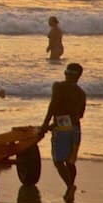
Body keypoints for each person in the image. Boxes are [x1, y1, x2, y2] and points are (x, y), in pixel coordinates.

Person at [41, 63, 86, 195]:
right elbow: (80, 115)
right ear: (79, 77)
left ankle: (70, 186)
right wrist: (55, 125)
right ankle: (70, 189)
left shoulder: (58, 86)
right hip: (76, 128)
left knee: (58, 161)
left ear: (66, 74)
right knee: (70, 162)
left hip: (62, 129)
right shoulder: (81, 93)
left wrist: (46, 125)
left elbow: (53, 107)